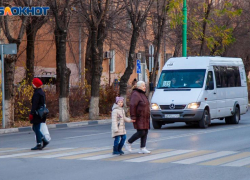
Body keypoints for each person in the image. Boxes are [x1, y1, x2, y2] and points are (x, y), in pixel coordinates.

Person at [125, 81, 151, 154]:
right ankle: (128, 142)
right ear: (139, 87)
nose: (145, 87)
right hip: (139, 116)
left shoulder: (142, 94)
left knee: (145, 131)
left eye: (145, 86)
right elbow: (133, 105)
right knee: (141, 132)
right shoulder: (136, 94)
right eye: (143, 86)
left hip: (145, 116)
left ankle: (143, 148)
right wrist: (133, 116)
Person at [29, 78, 49, 150]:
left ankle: (39, 143)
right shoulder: (41, 92)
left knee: (36, 128)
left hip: (37, 113)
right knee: (35, 127)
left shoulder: (37, 93)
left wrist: (32, 113)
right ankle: (43, 140)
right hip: (41, 113)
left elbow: (35, 104)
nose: (32, 84)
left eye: (33, 83)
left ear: (35, 85)